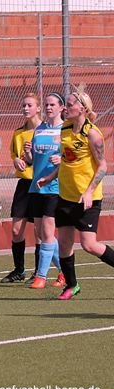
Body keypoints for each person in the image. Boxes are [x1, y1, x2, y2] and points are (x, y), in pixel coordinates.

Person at [37, 85, 112, 300]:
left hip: (87, 199)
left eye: (69, 105)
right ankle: (71, 285)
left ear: (82, 109)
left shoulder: (93, 134)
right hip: (65, 196)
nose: (65, 108)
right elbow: (66, 160)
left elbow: (103, 166)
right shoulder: (65, 129)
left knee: (89, 245)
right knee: (64, 243)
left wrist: (89, 191)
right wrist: (50, 177)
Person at [1, 93, 42, 284]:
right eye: (23, 105)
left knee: (40, 232)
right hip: (24, 184)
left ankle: (39, 272)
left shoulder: (46, 131)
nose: (25, 108)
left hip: (40, 184)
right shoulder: (18, 133)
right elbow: (14, 154)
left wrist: (32, 156)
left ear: (38, 108)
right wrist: (16, 160)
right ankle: (19, 270)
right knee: (17, 230)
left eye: (29, 105)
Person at [25, 93, 65, 289]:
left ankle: (41, 276)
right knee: (41, 232)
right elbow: (33, 160)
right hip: (36, 186)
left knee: (48, 231)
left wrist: (62, 159)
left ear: (61, 108)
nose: (49, 108)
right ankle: (64, 271)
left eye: (52, 105)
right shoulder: (39, 129)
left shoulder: (65, 130)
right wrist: (27, 154)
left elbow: (74, 157)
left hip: (54, 187)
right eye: (47, 105)